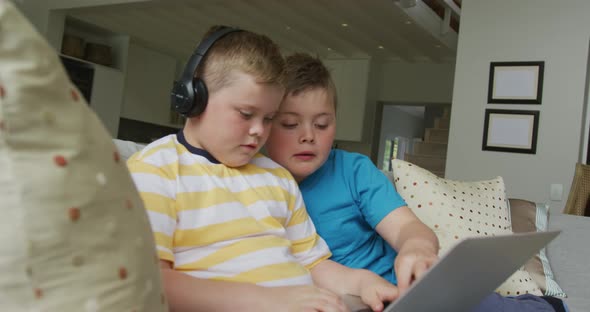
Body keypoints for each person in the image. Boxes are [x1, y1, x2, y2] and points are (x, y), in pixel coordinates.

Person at [264, 53, 566, 312]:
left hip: (410, 291)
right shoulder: (253, 187)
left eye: (322, 124)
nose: (308, 135)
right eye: (290, 124)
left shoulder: (351, 170)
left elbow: (407, 227)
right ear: (265, 123)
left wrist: (416, 247)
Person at [128, 26, 397, 312]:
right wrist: (266, 300)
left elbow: (314, 264)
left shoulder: (276, 177)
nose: (258, 131)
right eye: (246, 114)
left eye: (269, 118)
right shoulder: (155, 171)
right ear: (195, 96)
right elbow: (151, 281)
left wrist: (362, 282)